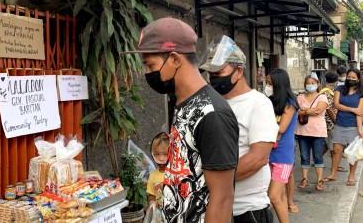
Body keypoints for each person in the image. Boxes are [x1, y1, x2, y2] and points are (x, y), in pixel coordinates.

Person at [122, 18, 239, 222]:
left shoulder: (212, 114)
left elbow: (222, 199)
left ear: (175, 59)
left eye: (150, 65)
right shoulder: (182, 103)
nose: (147, 73)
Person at [200, 35, 278, 223]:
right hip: (214, 208)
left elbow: (258, 158)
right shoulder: (210, 103)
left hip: (247, 210)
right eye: (210, 74)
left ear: (239, 71)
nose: (213, 79)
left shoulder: (259, 104)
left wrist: (210, 181)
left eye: (218, 73)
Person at [324, 69, 363, 185]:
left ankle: (351, 176)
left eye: (354, 77)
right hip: (339, 124)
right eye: (349, 77)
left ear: (358, 79)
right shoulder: (339, 89)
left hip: (353, 126)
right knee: (337, 150)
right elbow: (336, 104)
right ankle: (333, 174)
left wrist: (359, 129)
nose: (351, 79)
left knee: (352, 152)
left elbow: (360, 113)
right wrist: (352, 109)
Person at [265, 69, 298, 223]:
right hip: (270, 153)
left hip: (283, 156)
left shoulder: (290, 104)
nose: (267, 86)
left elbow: (281, 128)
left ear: (278, 84)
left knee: (272, 196)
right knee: (279, 195)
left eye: (270, 83)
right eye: (266, 83)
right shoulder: (271, 102)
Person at [295, 73, 328, 191]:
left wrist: (303, 110)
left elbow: (318, 111)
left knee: (318, 156)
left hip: (318, 132)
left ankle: (319, 181)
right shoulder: (300, 97)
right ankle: (304, 179)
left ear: (318, 84)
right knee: (304, 156)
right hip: (302, 131)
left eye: (312, 83)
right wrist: (307, 111)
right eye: (308, 83)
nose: (310, 85)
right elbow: (296, 111)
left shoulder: (322, 97)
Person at [319, 73, 340, 162]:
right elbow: (329, 110)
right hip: (329, 122)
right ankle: (334, 166)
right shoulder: (326, 92)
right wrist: (335, 121)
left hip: (329, 121)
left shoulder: (329, 91)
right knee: (332, 145)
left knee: (328, 144)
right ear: (336, 82)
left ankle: (317, 159)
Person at [147, 132, 169, 209]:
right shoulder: (153, 175)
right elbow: (151, 195)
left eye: (165, 154)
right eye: (157, 154)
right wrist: (152, 202)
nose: (161, 158)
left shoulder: (177, 174)